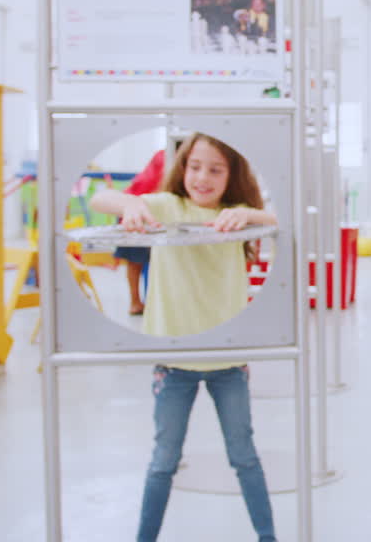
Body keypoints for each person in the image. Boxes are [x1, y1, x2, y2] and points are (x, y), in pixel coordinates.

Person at [89, 133, 278, 542]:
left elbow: (280, 219)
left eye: (215, 170)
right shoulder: (167, 206)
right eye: (195, 166)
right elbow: (100, 199)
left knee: (244, 456)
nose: (202, 178)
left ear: (231, 176)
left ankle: (268, 537)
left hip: (228, 362)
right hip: (174, 364)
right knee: (163, 461)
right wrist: (129, 204)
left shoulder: (235, 215)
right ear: (182, 168)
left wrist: (248, 213)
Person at [113, 149, 166, 315]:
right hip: (136, 212)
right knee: (136, 261)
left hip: (141, 210)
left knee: (139, 261)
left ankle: (140, 302)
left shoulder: (166, 154)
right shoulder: (165, 156)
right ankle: (136, 302)